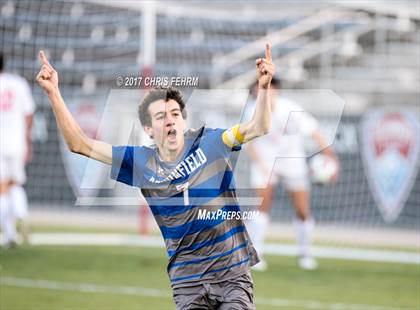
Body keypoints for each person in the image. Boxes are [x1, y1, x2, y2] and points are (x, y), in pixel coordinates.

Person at [36, 44, 275, 309]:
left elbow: (259, 126)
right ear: (149, 129)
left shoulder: (212, 141)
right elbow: (79, 144)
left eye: (175, 114)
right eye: (161, 117)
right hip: (188, 280)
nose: (171, 121)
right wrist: (54, 93)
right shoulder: (140, 161)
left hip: (232, 272)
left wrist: (264, 88)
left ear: (184, 120)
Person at [245, 78, 339, 271]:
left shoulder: (290, 109)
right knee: (261, 206)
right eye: (260, 90)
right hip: (266, 161)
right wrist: (261, 164)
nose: (264, 93)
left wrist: (331, 157)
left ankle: (305, 253)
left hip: (292, 160)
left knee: (302, 210)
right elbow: (248, 142)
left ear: (276, 90)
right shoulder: (252, 110)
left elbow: (314, 132)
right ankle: (256, 254)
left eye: (267, 89)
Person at [0, 53, 35, 247]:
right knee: (15, 184)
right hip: (16, 142)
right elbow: (28, 114)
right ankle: (22, 215)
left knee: (2, 189)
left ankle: (10, 234)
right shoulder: (19, 83)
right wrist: (26, 141)